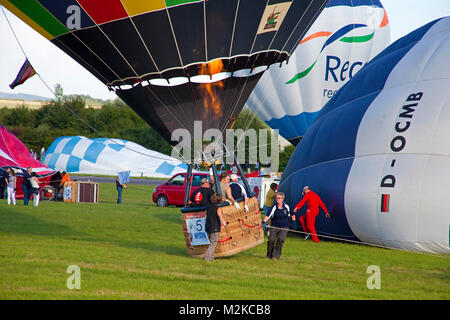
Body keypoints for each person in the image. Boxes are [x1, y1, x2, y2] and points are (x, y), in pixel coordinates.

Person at [262, 192, 296, 260]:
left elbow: (292, 214)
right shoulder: (274, 207)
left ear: (282, 199)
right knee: (271, 240)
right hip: (274, 226)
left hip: (284, 226)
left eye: (279, 198)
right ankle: (269, 255)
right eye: (276, 198)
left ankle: (276, 256)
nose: (277, 199)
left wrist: (294, 223)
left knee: (280, 240)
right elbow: (268, 215)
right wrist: (263, 222)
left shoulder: (287, 206)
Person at [204, 193, 227, 262]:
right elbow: (220, 216)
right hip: (215, 227)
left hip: (207, 226)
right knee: (213, 243)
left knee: (211, 243)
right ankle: (208, 258)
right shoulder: (218, 208)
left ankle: (211, 257)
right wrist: (224, 223)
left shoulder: (208, 207)